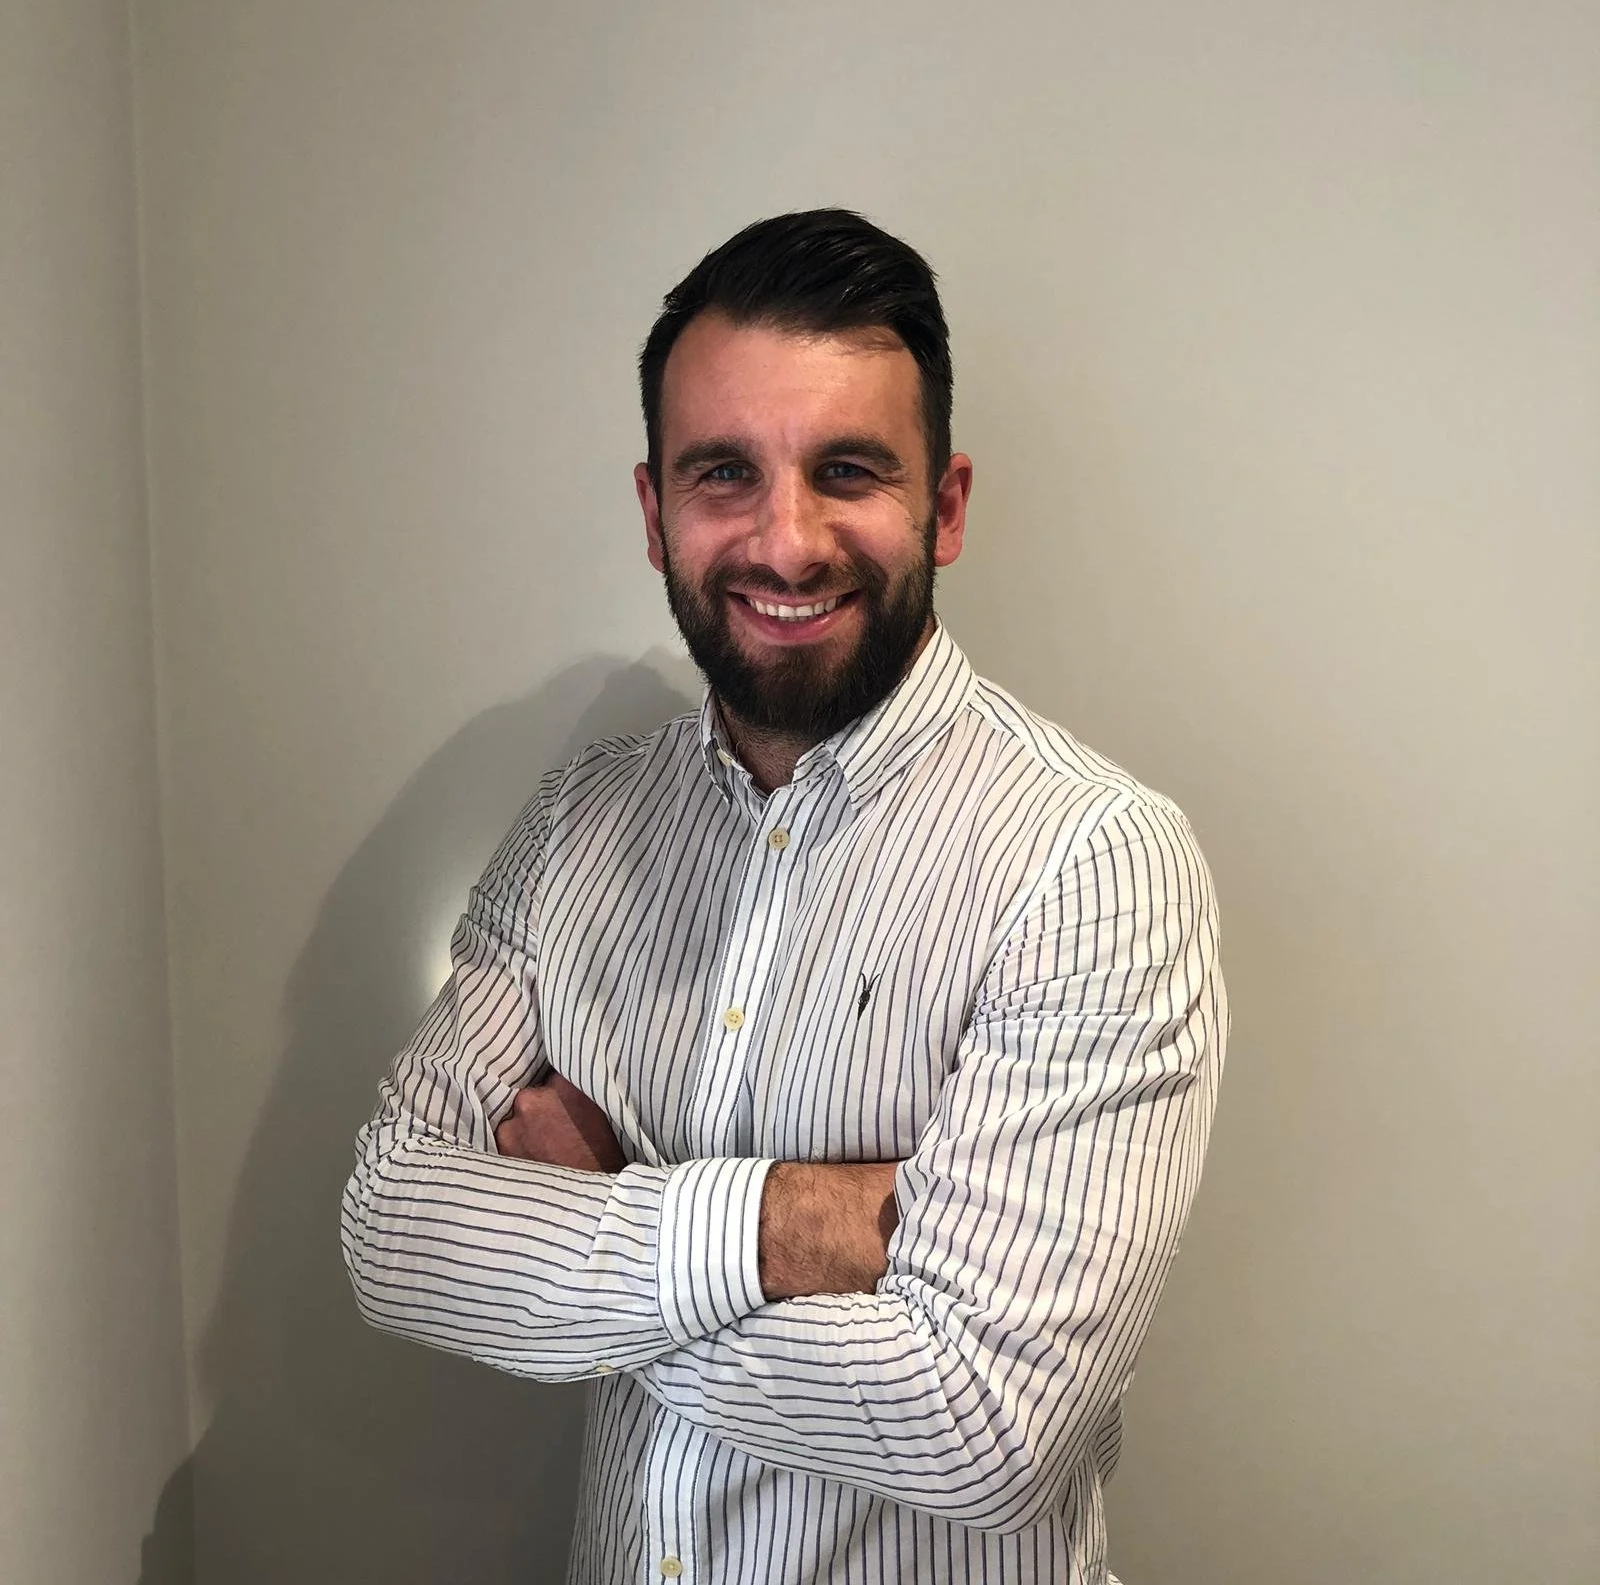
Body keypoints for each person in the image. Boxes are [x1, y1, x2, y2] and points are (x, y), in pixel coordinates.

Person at [341, 207, 1227, 1585]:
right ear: (655, 513)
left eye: (849, 470)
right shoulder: (579, 821)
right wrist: (792, 1223)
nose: (788, 540)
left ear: (946, 504)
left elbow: (985, 1428)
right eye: (723, 474)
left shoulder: (1092, 863)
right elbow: (395, 1230)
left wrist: (608, 1218)